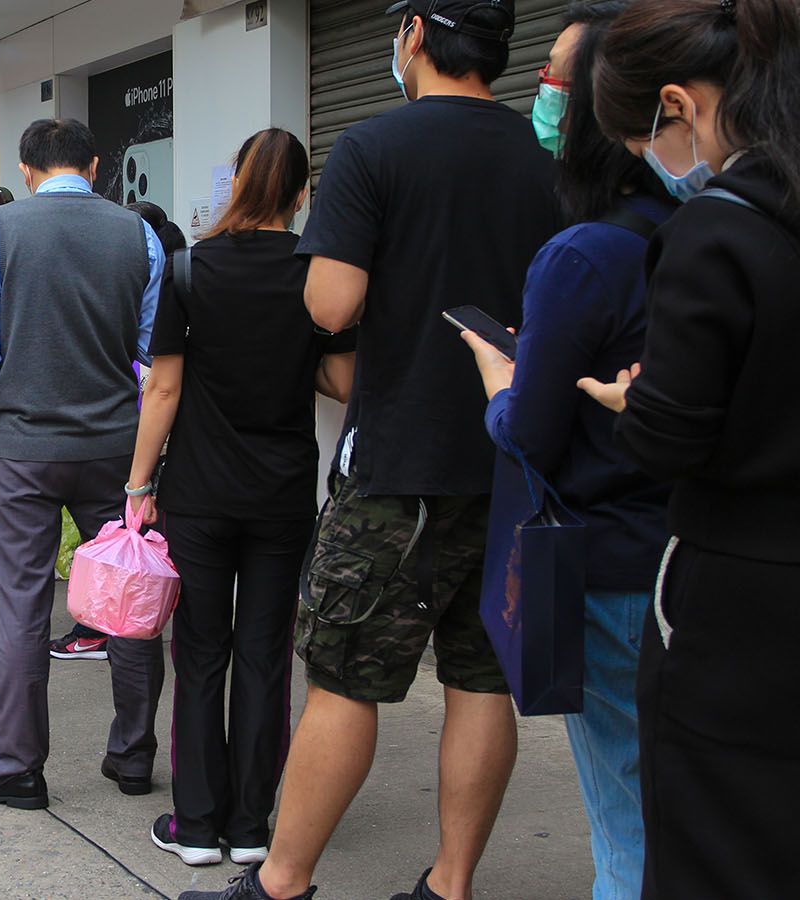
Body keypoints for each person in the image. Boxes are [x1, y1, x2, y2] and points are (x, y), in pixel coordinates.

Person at [188, 2, 563, 897]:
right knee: (481, 676)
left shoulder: (373, 149)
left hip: (398, 464)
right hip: (509, 460)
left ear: (415, 38)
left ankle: (280, 882)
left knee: (345, 680)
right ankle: (451, 884)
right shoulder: (542, 159)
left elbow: (328, 306)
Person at [577, 1, 800, 895]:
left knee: (716, 838)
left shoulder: (717, 230)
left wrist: (635, 399)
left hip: (738, 600)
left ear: (678, 103)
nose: (653, 167)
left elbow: (668, 440)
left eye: (643, 143)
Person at [455, 6, 669, 897]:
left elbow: (531, 433)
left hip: (611, 571)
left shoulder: (581, 255)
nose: (540, 92)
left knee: (626, 811)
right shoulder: (700, 228)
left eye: (556, 76)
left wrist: (501, 375)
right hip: (693, 563)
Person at [132, 129, 356, 868]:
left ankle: (196, 826)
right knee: (265, 656)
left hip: (198, 493)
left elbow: (162, 386)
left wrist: (138, 485)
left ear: (237, 186)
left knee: (199, 654)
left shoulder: (190, 269)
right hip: (282, 494)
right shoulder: (316, 278)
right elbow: (343, 383)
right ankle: (253, 825)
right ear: (300, 195)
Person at [0, 118, 166, 811]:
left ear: (26, 168)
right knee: (130, 603)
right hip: (114, 447)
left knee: (21, 605)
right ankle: (133, 756)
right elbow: (154, 351)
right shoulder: (139, 235)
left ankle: (17, 768)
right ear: (96, 165)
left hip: (21, 449)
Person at [48, 198, 189, 662]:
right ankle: (134, 727)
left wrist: (139, 482)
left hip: (116, 441)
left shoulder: (1, 237)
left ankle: (96, 630)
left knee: (110, 554)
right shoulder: (166, 266)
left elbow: (159, 384)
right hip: (128, 438)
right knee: (134, 557)